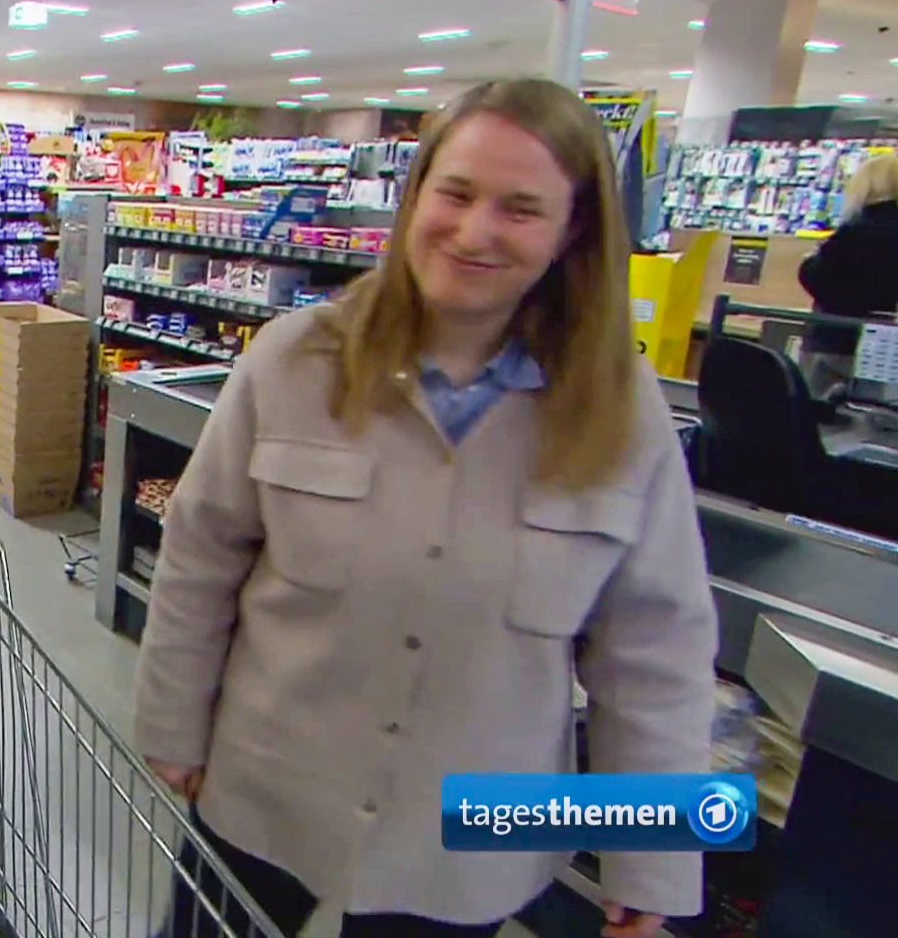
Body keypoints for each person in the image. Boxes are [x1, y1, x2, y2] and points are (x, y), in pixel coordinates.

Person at [136, 79, 718, 938]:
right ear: (415, 198)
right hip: (268, 782)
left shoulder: (623, 412)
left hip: (474, 835)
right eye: (456, 193)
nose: (475, 232)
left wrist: (654, 854)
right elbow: (201, 553)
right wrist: (173, 725)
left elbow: (658, 649)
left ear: (573, 231)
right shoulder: (296, 360)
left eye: (521, 208)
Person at [797, 153, 898, 396]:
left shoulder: (854, 230)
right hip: (884, 346)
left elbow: (818, 278)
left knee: (818, 408)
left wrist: (809, 262)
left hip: (835, 339)